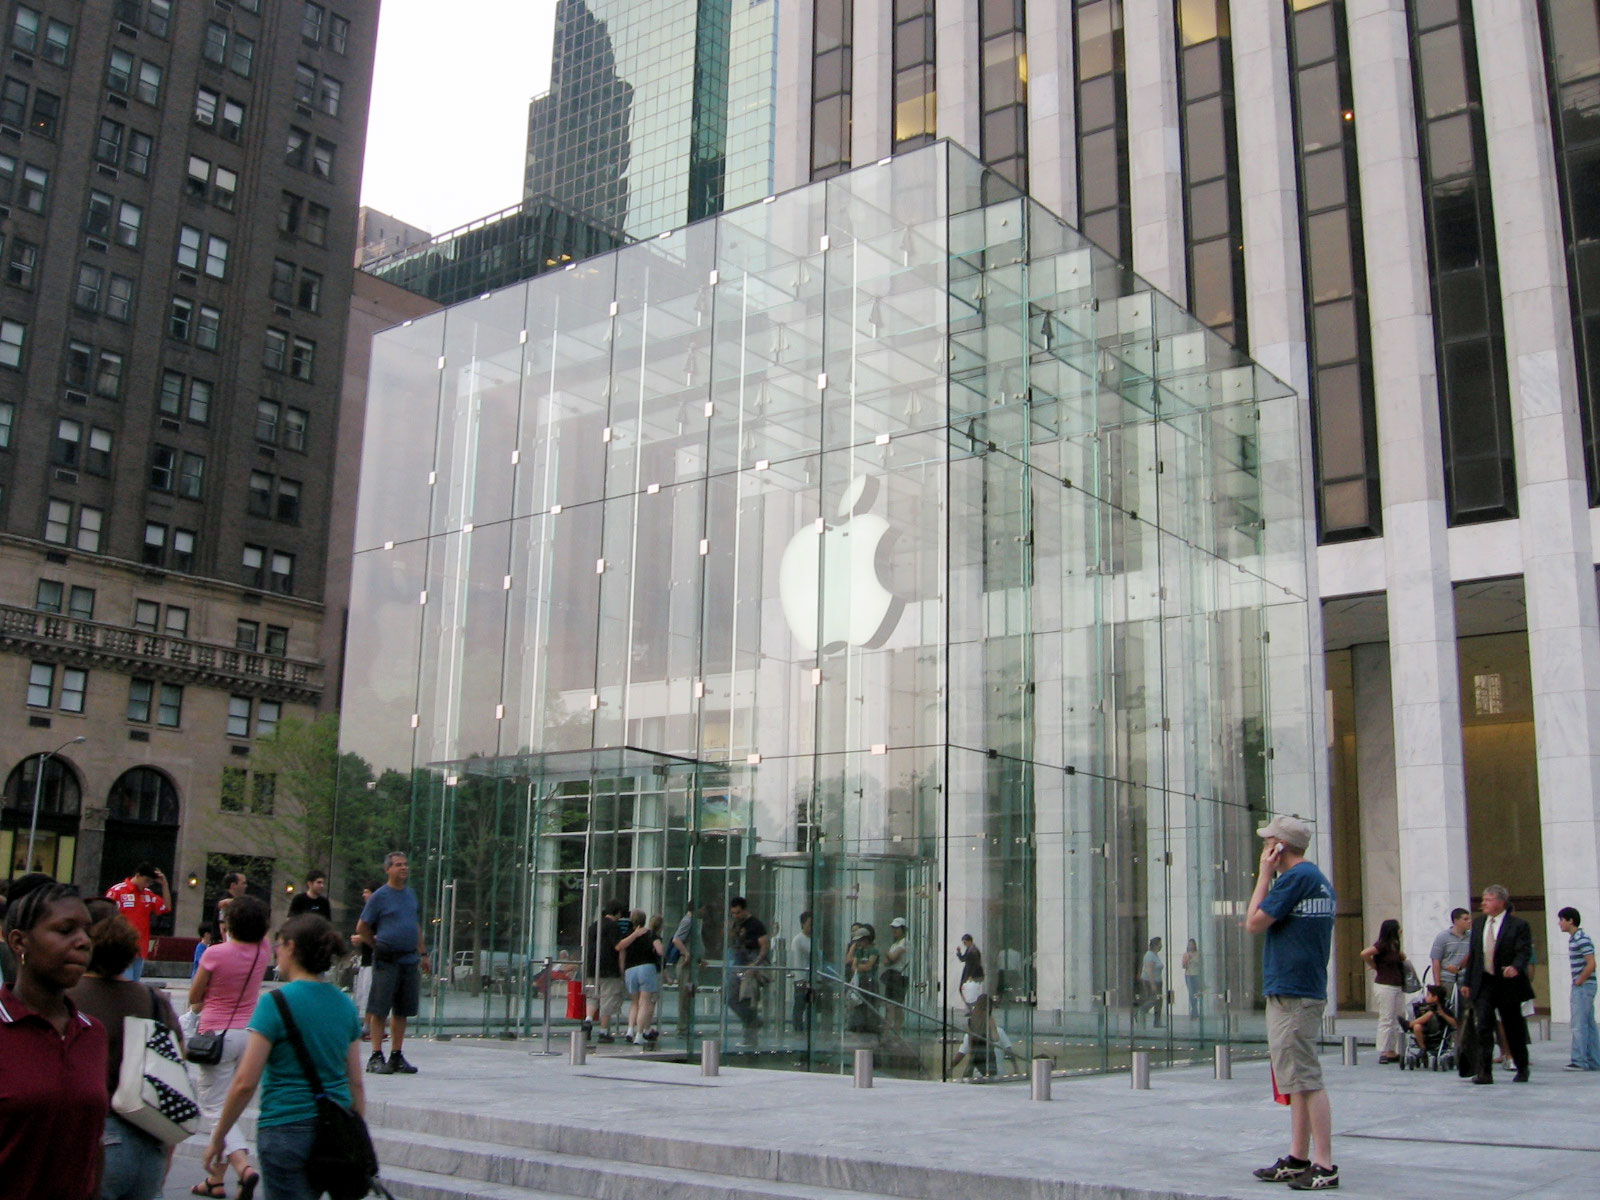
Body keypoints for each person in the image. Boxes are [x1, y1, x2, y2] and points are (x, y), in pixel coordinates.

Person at [204, 915, 365, 1200]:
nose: (276, 951)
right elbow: (356, 1082)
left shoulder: (273, 1003)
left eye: (279, 945)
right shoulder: (344, 1004)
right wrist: (357, 1134)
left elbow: (245, 1082)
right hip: (333, 1128)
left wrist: (220, 1137)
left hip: (285, 1125)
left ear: (292, 947)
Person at [0, 876, 107, 1200]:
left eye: (87, 932)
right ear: (19, 942)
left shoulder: (93, 1034)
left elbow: (94, 1145)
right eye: (65, 930)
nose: (83, 941)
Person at [1246, 814, 1338, 1191]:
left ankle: (1324, 1163)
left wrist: (1264, 875)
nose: (1264, 846)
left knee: (1306, 1077)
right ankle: (1299, 1156)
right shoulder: (1315, 879)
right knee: (1295, 1079)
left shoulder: (1297, 879)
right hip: (1302, 988)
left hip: (1293, 991)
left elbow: (1253, 921)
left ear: (1279, 847)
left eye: (1268, 841)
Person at [67, 907, 185, 1200]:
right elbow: (175, 1068)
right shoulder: (154, 1001)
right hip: (149, 1136)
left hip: (94, 1134)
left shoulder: (68, 998)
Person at [187, 895, 271, 1199]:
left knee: (215, 1109)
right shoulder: (263, 951)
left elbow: (194, 996)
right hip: (249, 1034)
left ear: (229, 924)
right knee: (229, 1111)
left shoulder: (214, 954)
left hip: (216, 1036)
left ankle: (243, 1167)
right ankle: (215, 1182)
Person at [355, 851, 428, 1075]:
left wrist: (423, 953)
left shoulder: (410, 895)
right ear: (388, 869)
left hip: (408, 958)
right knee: (380, 1008)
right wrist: (375, 945)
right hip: (387, 958)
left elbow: (414, 925)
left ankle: (397, 1054)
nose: (403, 868)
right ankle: (376, 1055)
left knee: (402, 1009)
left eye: (405, 864)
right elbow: (362, 927)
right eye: (398, 865)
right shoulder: (380, 896)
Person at [1461, 883, 1533, 1084]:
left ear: (1501, 902)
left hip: (1507, 983)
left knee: (1513, 1026)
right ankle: (1484, 1072)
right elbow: (1474, 955)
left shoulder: (1518, 925)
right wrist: (1467, 981)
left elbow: (1523, 951)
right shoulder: (1479, 923)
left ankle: (1522, 1067)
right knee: (1483, 1025)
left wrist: (1516, 967)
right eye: (1483, 899)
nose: (1483, 903)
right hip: (1484, 982)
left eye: (1488, 899)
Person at [106, 862, 170, 981]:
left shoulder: (148, 895)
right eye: (146, 880)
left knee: (134, 984)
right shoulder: (117, 891)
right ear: (138, 875)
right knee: (125, 984)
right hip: (122, 946)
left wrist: (164, 884)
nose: (147, 884)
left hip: (140, 948)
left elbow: (166, 907)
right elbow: (106, 917)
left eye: (150, 882)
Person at [1359, 919, 1409, 1063]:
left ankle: (1392, 1050)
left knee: (1396, 1018)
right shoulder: (1383, 945)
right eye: (1398, 928)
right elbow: (1365, 953)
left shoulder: (1395, 945)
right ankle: (1384, 1051)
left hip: (1396, 985)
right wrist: (1374, 966)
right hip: (1385, 985)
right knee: (1386, 1018)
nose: (1401, 930)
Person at [1557, 906, 1598, 1071]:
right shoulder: (1576, 938)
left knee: (1579, 1024)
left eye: (1561, 920)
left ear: (1570, 920)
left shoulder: (1581, 938)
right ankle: (1594, 1060)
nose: (1559, 923)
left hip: (1584, 986)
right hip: (1585, 985)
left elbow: (1591, 963)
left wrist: (1579, 980)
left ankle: (1579, 1060)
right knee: (1589, 1024)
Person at [617, 909, 664, 1045]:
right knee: (644, 1003)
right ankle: (640, 1034)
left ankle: (630, 1030)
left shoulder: (628, 934)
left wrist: (622, 970)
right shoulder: (650, 934)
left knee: (634, 1002)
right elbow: (660, 951)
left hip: (630, 969)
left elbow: (622, 952)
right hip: (646, 968)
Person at [726, 896, 769, 1045]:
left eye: (738, 913)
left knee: (747, 998)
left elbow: (764, 946)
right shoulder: (735, 924)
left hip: (750, 962)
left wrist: (756, 964)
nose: (735, 916)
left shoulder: (755, 925)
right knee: (730, 998)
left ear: (744, 910)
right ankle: (753, 1021)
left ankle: (750, 1036)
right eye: (733, 913)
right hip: (738, 962)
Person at [584, 899, 626, 1043]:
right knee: (607, 998)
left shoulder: (593, 926)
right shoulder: (614, 927)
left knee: (592, 996)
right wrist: (633, 936)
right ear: (618, 913)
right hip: (609, 966)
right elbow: (618, 946)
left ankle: (588, 1020)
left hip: (591, 966)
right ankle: (603, 1031)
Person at [1429, 908, 1472, 1010]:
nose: (1469, 921)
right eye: (1465, 919)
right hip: (1447, 980)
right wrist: (1438, 984)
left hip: (1465, 980)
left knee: (1466, 1010)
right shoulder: (1443, 937)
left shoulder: (1471, 937)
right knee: (1448, 1008)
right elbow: (1436, 960)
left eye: (1469, 919)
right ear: (1456, 921)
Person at [1407, 983, 1458, 1058]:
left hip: (1437, 1030)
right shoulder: (1422, 1006)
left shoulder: (1443, 1008)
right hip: (1423, 1029)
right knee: (1417, 1026)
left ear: (1435, 998)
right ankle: (1423, 1048)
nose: (1426, 997)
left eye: (1428, 995)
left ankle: (1408, 1025)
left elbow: (1455, 1023)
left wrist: (1443, 1014)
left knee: (1431, 1013)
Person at [882, 917, 909, 1028]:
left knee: (897, 1004)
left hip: (900, 975)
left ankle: (897, 1027)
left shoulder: (905, 942)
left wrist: (888, 955)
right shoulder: (895, 944)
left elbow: (893, 957)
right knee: (890, 1003)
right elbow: (886, 962)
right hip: (892, 974)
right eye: (893, 928)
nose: (894, 931)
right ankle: (891, 1025)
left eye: (897, 928)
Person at [790, 910, 814, 1033]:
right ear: (803, 924)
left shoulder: (813, 939)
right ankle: (797, 1028)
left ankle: (809, 1028)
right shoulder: (798, 939)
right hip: (801, 977)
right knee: (799, 1005)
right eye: (809, 923)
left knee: (810, 1004)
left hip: (811, 977)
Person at [1138, 937, 1165, 1027]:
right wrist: (1153, 984)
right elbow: (1150, 970)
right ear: (1156, 945)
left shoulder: (1155, 955)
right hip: (1151, 981)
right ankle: (1141, 1011)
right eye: (1160, 944)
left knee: (1159, 1001)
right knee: (1154, 999)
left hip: (1158, 980)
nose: (1161, 946)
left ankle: (1157, 1022)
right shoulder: (1150, 955)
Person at [956, 934, 984, 1010]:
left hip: (972, 974)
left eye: (965, 942)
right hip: (968, 973)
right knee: (965, 990)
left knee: (970, 991)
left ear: (969, 941)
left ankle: (973, 1008)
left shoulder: (974, 950)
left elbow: (976, 964)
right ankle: (971, 1007)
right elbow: (963, 959)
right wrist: (959, 953)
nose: (964, 944)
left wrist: (971, 975)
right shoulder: (970, 949)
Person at [1182, 939, 1203, 1021]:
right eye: (1189, 944)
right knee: (1191, 994)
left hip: (1196, 975)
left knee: (1196, 994)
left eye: (1192, 944)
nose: (1190, 946)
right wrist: (1187, 959)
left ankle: (1195, 1013)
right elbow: (1184, 966)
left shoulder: (1198, 954)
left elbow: (1201, 964)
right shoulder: (1186, 954)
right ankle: (1194, 1013)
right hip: (1189, 975)